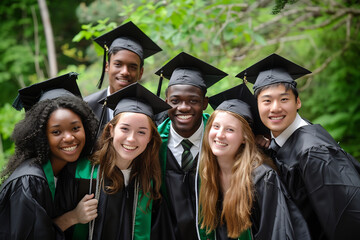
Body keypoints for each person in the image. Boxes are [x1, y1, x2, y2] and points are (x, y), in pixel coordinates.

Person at [236, 53, 360, 240]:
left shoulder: (314, 151)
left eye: (284, 99)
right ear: (258, 106)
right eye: (267, 101)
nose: (275, 108)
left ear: (298, 102)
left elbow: (348, 218)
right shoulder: (282, 141)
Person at [198, 83, 311, 240]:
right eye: (216, 126)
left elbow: (277, 232)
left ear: (245, 138)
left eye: (230, 129)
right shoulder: (206, 172)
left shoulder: (262, 178)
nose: (220, 135)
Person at [0, 73, 99, 239]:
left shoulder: (67, 170)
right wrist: (73, 217)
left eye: (75, 128)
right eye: (56, 132)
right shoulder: (29, 181)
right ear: (41, 136)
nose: (69, 137)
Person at [77, 82, 174, 239]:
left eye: (141, 132)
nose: (131, 139)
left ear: (150, 137)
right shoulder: (82, 173)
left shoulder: (148, 180)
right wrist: (73, 217)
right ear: (111, 130)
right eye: (125, 129)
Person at [155, 52, 228, 239]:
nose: (184, 107)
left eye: (193, 101)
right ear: (166, 103)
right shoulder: (152, 143)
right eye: (175, 101)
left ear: (205, 103)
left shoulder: (223, 138)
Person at [84, 21, 162, 130]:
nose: (125, 72)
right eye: (118, 64)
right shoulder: (87, 108)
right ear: (107, 66)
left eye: (133, 67)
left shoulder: (156, 112)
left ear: (141, 73)